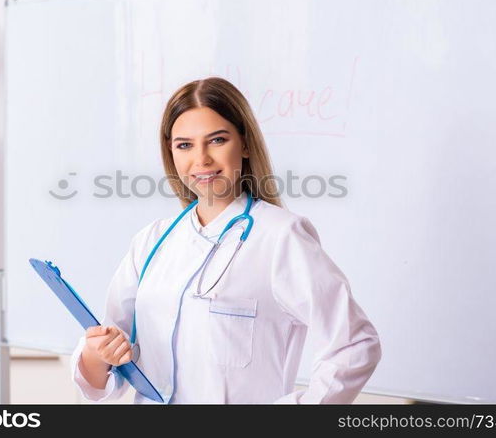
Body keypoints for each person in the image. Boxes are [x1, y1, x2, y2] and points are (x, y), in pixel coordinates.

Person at [70, 77, 381, 403]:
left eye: (217, 140)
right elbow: (104, 374)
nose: (201, 159)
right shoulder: (152, 242)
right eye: (185, 145)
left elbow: (355, 344)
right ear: (170, 152)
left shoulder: (279, 237)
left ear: (245, 144)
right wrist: (96, 354)